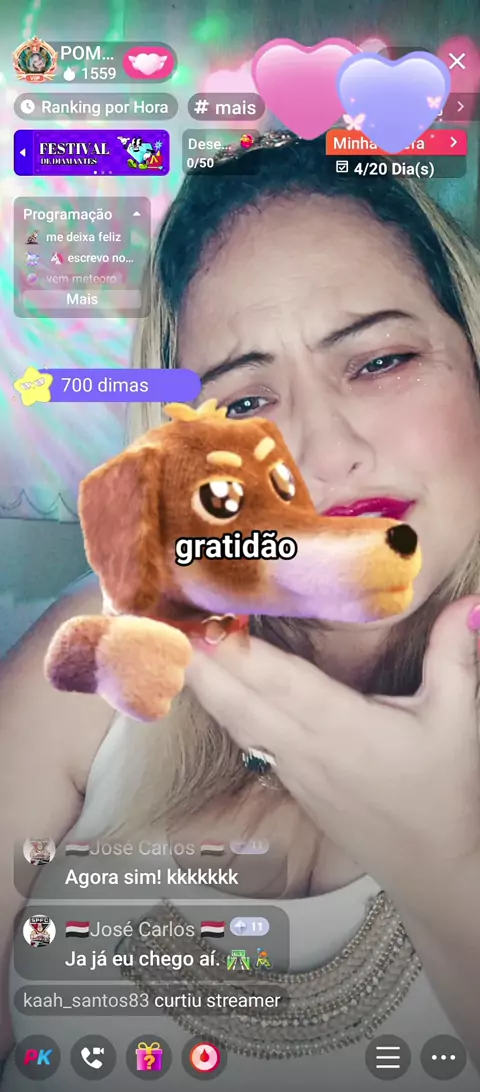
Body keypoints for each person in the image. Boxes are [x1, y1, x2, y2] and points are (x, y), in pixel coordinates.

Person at [2, 131, 480, 1089]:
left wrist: (447, 871)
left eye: (381, 360)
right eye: (244, 403)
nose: (323, 454)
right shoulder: (99, 660)